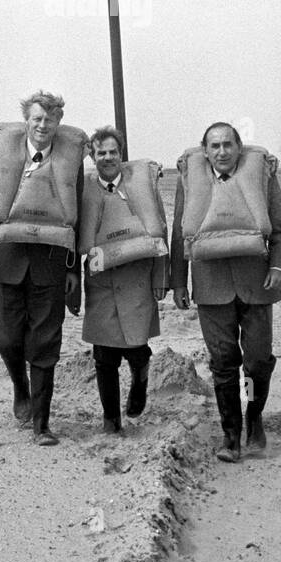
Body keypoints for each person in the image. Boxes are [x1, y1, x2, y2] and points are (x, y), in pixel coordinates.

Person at [0, 91, 86, 447]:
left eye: (50, 120)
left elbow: (77, 218)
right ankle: (21, 388)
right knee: (4, 338)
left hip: (51, 265)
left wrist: (74, 271)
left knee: (45, 343)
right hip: (6, 260)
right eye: (37, 119)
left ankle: (42, 424)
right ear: (27, 120)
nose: (43, 126)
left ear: (58, 124)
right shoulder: (1, 154)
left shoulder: (70, 160)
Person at [170, 122, 281, 462]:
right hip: (211, 288)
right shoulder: (191, 181)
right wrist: (179, 282)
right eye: (214, 146)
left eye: (228, 145)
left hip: (256, 285)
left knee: (256, 362)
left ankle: (254, 416)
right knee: (223, 362)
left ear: (239, 148)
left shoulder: (261, 177)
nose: (222, 152)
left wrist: (278, 269)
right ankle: (230, 434)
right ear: (205, 151)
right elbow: (181, 233)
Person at [79, 127, 168, 434]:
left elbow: (160, 233)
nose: (107, 158)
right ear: (92, 156)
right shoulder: (85, 190)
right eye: (100, 152)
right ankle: (110, 420)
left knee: (136, 347)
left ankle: (140, 382)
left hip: (138, 281)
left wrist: (161, 276)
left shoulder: (139, 188)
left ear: (121, 155)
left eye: (112, 152)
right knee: (104, 355)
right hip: (101, 283)